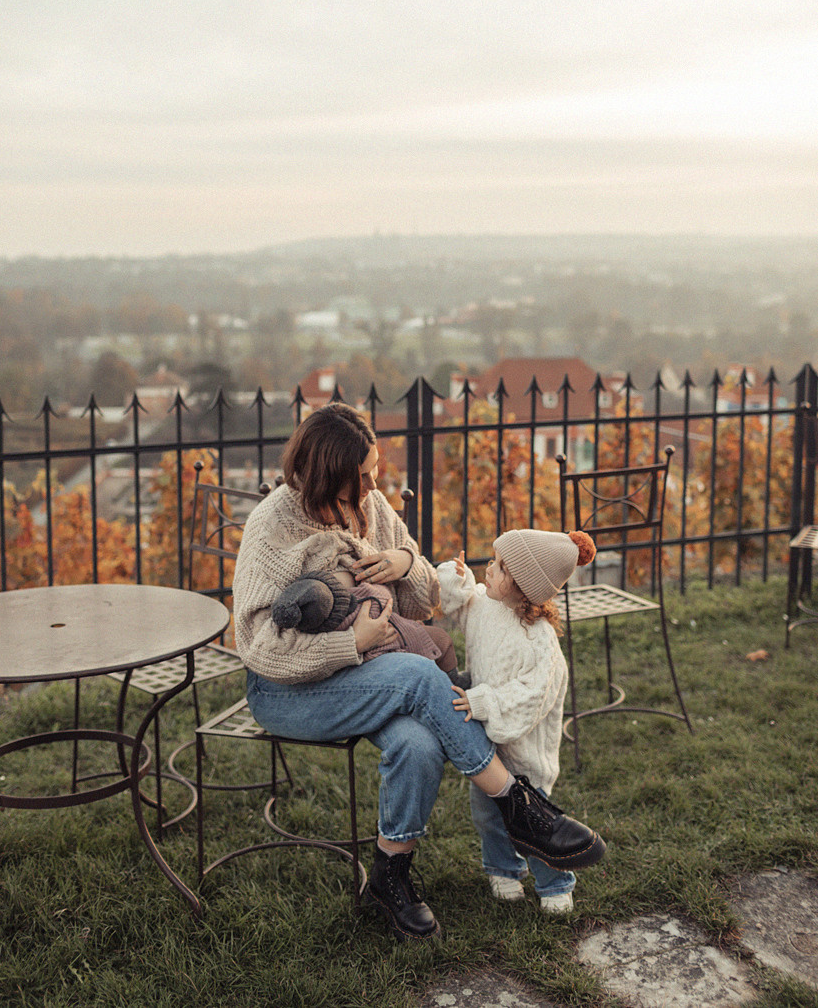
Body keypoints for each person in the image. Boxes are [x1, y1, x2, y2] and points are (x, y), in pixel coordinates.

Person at [233, 402, 605, 942]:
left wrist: (405, 563)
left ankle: (390, 874)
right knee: (417, 676)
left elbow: (426, 596)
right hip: (288, 691)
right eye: (361, 476)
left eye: (374, 471)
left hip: (372, 675)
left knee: (421, 743)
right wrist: (349, 641)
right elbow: (258, 645)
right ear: (326, 472)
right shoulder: (273, 527)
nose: (372, 485)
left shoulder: (371, 507)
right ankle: (519, 807)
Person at [436, 528, 598, 914]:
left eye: (499, 567)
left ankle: (556, 883)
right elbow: (460, 605)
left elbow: (531, 697)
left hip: (525, 755)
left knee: (533, 824)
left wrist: (484, 702)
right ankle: (503, 869)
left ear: (523, 587)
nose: (488, 569)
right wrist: (454, 580)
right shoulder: (487, 605)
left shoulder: (540, 644)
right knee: (488, 814)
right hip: (490, 749)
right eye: (492, 560)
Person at [270, 565, 469, 686]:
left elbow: (426, 599)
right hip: (391, 642)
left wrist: (407, 562)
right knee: (442, 641)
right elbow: (382, 596)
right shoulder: (362, 601)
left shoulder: (323, 621)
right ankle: (453, 681)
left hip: (383, 644)